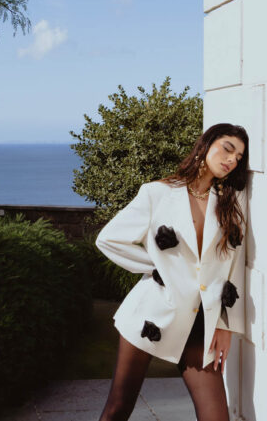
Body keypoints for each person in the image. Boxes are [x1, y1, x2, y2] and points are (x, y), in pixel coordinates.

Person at [95, 123, 249, 421]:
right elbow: (109, 239)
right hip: (152, 313)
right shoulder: (157, 193)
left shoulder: (230, 206)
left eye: (239, 157)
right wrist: (156, 267)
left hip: (200, 322)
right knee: (118, 408)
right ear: (205, 145)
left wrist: (227, 325)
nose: (232, 159)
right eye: (228, 149)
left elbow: (234, 269)